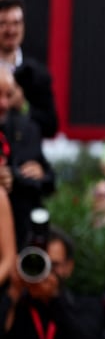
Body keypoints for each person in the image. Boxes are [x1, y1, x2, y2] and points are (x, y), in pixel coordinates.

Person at [0, 68, 57, 249]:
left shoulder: (28, 128)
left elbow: (50, 181)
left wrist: (36, 175)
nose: (3, 103)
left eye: (8, 95)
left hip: (21, 232)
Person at [0, 0, 59, 139]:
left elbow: (51, 127)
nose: (11, 30)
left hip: (25, 154)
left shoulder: (36, 73)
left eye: (16, 23)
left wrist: (23, 107)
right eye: (4, 24)